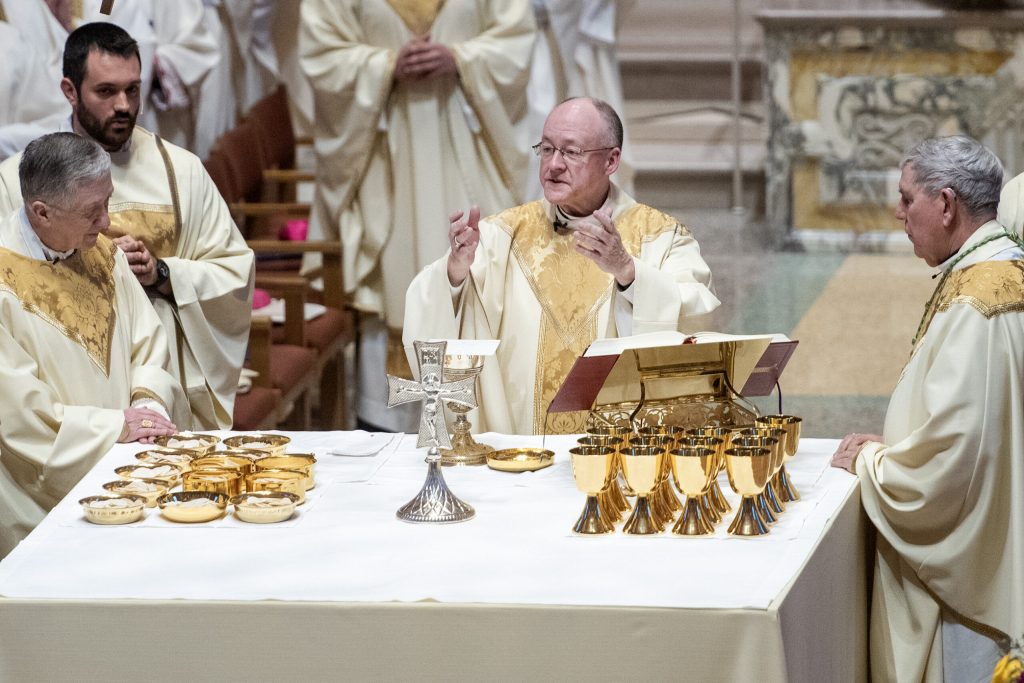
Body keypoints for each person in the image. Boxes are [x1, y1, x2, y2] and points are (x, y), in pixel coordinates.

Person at [404, 97, 719, 435]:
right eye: (547, 149)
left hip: (619, 455)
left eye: (570, 152)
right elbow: (434, 307)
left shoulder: (660, 236)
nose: (553, 165)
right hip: (520, 457)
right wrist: (455, 271)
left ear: (611, 160)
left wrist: (629, 273)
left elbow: (697, 313)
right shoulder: (504, 234)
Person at [831, 136, 1024, 682]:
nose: (898, 213)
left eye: (906, 198)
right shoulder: (988, 276)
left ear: (945, 204)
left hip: (965, 592)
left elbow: (954, 464)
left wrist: (877, 466)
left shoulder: (977, 303)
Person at [0, 23, 254, 431]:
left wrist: (162, 272)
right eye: (106, 92)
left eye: (133, 89)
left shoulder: (181, 171)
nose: (123, 105)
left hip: (160, 375)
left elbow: (235, 272)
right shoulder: (18, 181)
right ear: (70, 91)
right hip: (70, 383)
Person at [299, 0, 536, 431]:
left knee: (481, 266)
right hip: (382, 156)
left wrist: (460, 58)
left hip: (463, 140)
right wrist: (383, 66)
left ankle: (478, 416)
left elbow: (515, 40)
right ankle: (386, 425)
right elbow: (321, 54)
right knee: (393, 276)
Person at [0, 132, 183, 557]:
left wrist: (150, 410)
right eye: (91, 211)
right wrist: (117, 428)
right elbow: (22, 417)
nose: (106, 224)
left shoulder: (101, 251)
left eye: (107, 203)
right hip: (38, 499)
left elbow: (147, 342)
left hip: (134, 465)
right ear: (41, 212)